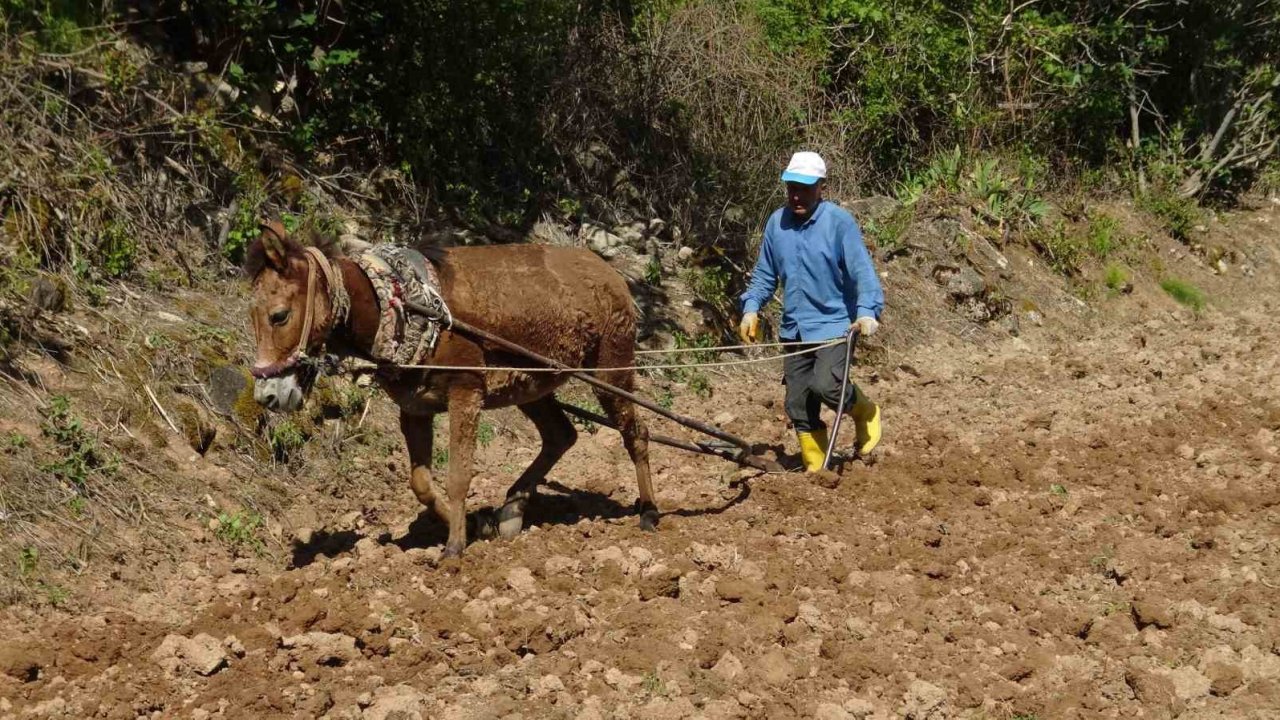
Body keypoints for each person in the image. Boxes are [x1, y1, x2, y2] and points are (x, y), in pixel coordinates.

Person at [738, 151, 884, 472]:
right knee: (797, 403)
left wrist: (867, 311)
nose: (796, 195)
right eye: (791, 187)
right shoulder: (777, 224)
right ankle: (817, 469)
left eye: (804, 188)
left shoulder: (839, 223)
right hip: (795, 329)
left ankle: (865, 412)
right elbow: (765, 275)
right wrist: (751, 309)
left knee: (828, 386)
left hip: (834, 325)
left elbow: (862, 270)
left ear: (821, 187)